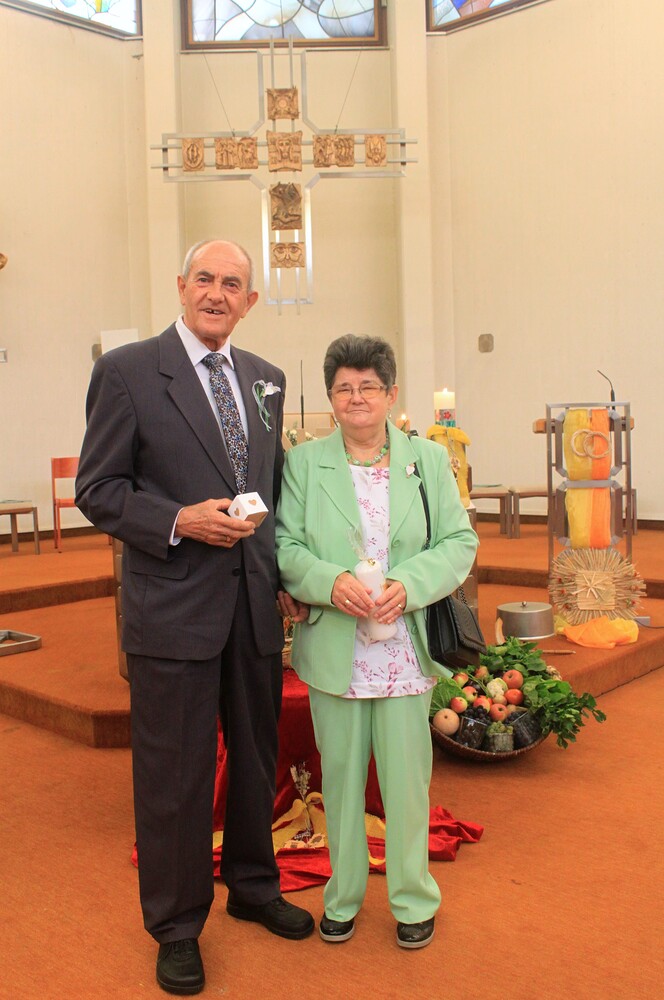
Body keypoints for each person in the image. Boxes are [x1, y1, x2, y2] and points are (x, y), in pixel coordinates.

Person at [76, 240, 314, 996]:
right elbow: (98, 489)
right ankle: (177, 926)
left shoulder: (266, 378)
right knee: (174, 775)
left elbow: (270, 487)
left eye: (232, 283)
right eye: (205, 279)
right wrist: (179, 519)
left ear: (250, 301)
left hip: (252, 604)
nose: (217, 293)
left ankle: (253, 885)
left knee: (254, 757)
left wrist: (284, 576)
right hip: (173, 606)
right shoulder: (128, 372)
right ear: (181, 287)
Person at [275, 334, 478, 950]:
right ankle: (342, 896)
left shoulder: (428, 461)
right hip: (335, 646)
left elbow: (459, 542)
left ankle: (413, 898)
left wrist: (409, 584)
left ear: (391, 394)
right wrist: (328, 581)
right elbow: (285, 544)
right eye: (344, 388)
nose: (356, 397)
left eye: (368, 386)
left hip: (404, 650)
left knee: (406, 785)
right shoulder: (305, 463)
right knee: (338, 781)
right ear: (331, 398)